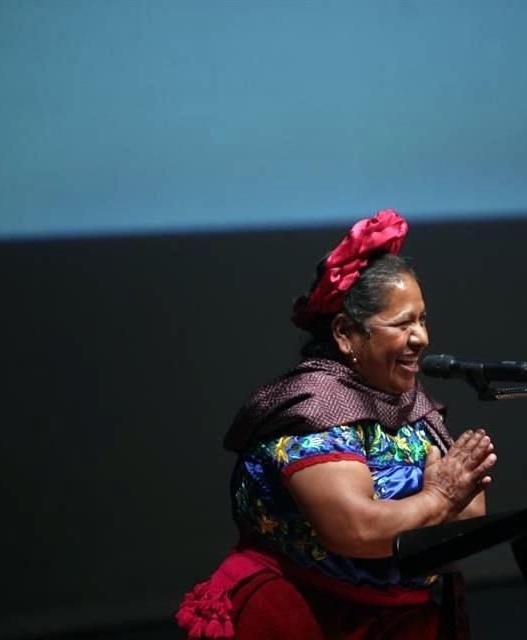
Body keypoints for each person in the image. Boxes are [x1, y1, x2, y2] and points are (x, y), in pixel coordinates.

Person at [176, 209, 497, 640]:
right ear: (346, 333)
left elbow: (472, 510)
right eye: (403, 324)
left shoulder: (410, 401)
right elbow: (358, 530)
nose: (421, 338)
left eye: (421, 320)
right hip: (309, 617)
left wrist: (439, 501)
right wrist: (438, 495)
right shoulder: (313, 407)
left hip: (400, 621)